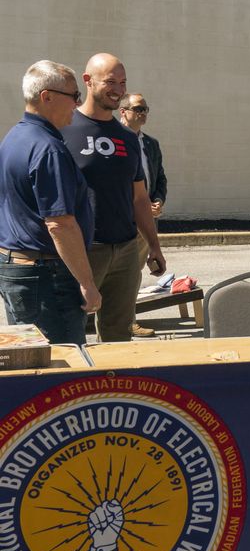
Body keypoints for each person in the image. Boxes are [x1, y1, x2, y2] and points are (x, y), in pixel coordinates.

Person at [60, 54, 165, 341]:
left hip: (126, 251)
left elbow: (139, 198)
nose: (117, 89)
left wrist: (154, 246)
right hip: (83, 251)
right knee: (70, 335)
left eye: (122, 82)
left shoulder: (128, 138)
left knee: (119, 338)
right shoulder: (63, 130)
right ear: (87, 81)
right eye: (110, 82)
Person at [0, 61, 100, 343]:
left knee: (33, 365)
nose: (78, 104)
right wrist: (87, 283)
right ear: (47, 97)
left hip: (19, 268)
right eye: (74, 96)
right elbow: (60, 224)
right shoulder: (48, 149)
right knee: (61, 365)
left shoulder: (14, 138)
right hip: (46, 276)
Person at [117, 92, 167, 337]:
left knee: (133, 273)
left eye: (146, 109)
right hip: (122, 218)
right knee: (120, 274)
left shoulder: (151, 144)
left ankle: (128, 319)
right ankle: (121, 322)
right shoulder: (113, 140)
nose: (143, 113)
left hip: (145, 218)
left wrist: (157, 200)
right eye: (138, 109)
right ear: (122, 111)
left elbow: (160, 178)